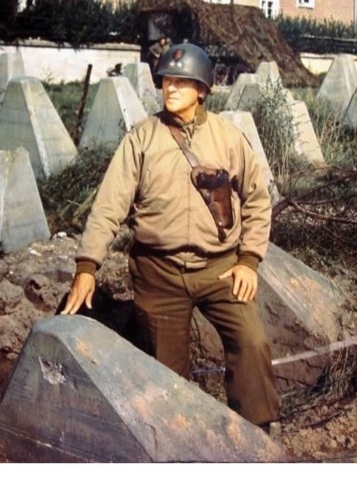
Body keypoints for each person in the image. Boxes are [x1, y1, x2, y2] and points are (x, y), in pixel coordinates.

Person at [61, 42, 280, 431]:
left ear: (202, 90)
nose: (171, 88)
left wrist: (249, 260)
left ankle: (258, 432)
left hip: (220, 269)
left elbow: (258, 200)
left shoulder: (228, 138)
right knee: (167, 375)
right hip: (158, 273)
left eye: (182, 81)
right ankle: (180, 441)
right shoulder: (142, 138)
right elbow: (109, 206)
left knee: (251, 342)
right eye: (166, 80)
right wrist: (87, 266)